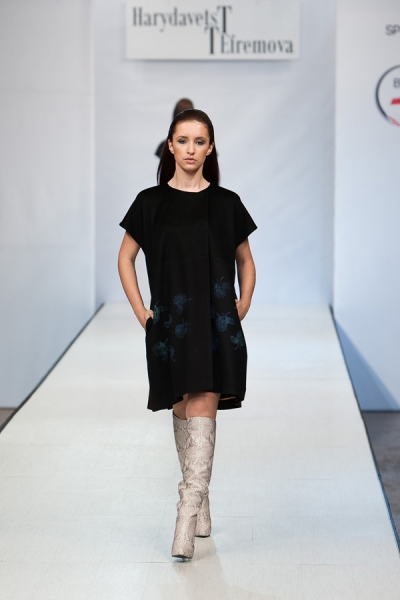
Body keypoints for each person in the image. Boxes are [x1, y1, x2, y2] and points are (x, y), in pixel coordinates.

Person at [118, 109, 257, 560]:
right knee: (181, 409)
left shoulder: (227, 203)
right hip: (171, 326)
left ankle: (184, 516)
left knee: (202, 405)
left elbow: (245, 260)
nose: (191, 149)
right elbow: (125, 258)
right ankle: (202, 508)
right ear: (171, 146)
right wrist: (142, 311)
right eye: (183, 140)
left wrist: (242, 303)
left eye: (200, 141)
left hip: (216, 324)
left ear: (211, 147)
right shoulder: (149, 202)